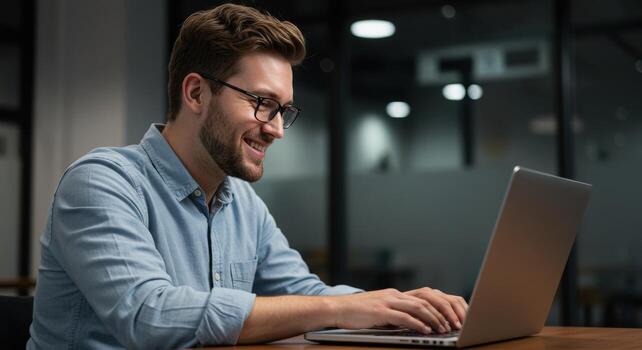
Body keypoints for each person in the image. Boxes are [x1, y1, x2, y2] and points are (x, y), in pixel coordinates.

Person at [28, 4, 468, 349]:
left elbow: (303, 292)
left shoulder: (242, 202)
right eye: (262, 103)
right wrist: (340, 308)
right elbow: (150, 316)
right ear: (197, 92)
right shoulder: (102, 182)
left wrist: (401, 307)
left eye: (284, 110)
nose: (276, 128)